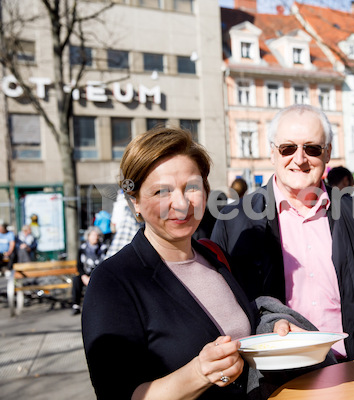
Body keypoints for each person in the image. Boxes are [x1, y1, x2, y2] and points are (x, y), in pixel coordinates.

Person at [82, 127, 301, 400]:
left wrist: (273, 326)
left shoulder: (214, 256)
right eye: (162, 191)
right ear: (135, 201)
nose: (182, 203)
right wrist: (198, 373)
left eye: (192, 187)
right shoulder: (114, 281)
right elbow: (118, 394)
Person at [211, 104, 354, 361]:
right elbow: (222, 311)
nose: (299, 159)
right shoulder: (235, 221)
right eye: (288, 148)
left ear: (328, 153)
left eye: (312, 148)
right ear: (272, 153)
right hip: (277, 379)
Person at [71, 226, 108, 315]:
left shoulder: (103, 248)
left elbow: (105, 264)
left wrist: (93, 276)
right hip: (85, 274)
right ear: (88, 236)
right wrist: (84, 276)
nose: (95, 237)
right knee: (76, 279)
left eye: (97, 235)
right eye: (93, 235)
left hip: (98, 274)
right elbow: (79, 265)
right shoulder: (82, 249)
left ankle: (100, 306)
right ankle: (76, 305)